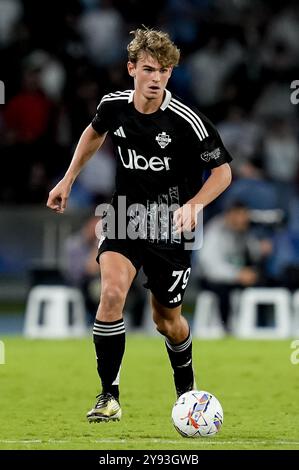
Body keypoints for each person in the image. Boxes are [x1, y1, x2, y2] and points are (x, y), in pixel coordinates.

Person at [47, 27, 232, 423]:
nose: (156, 77)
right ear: (131, 68)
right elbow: (93, 133)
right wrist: (68, 179)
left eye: (164, 71)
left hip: (172, 227)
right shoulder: (114, 106)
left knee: (167, 322)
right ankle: (108, 397)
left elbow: (222, 173)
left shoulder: (188, 121)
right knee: (111, 292)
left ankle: (187, 395)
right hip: (124, 217)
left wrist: (196, 205)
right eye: (149, 69)